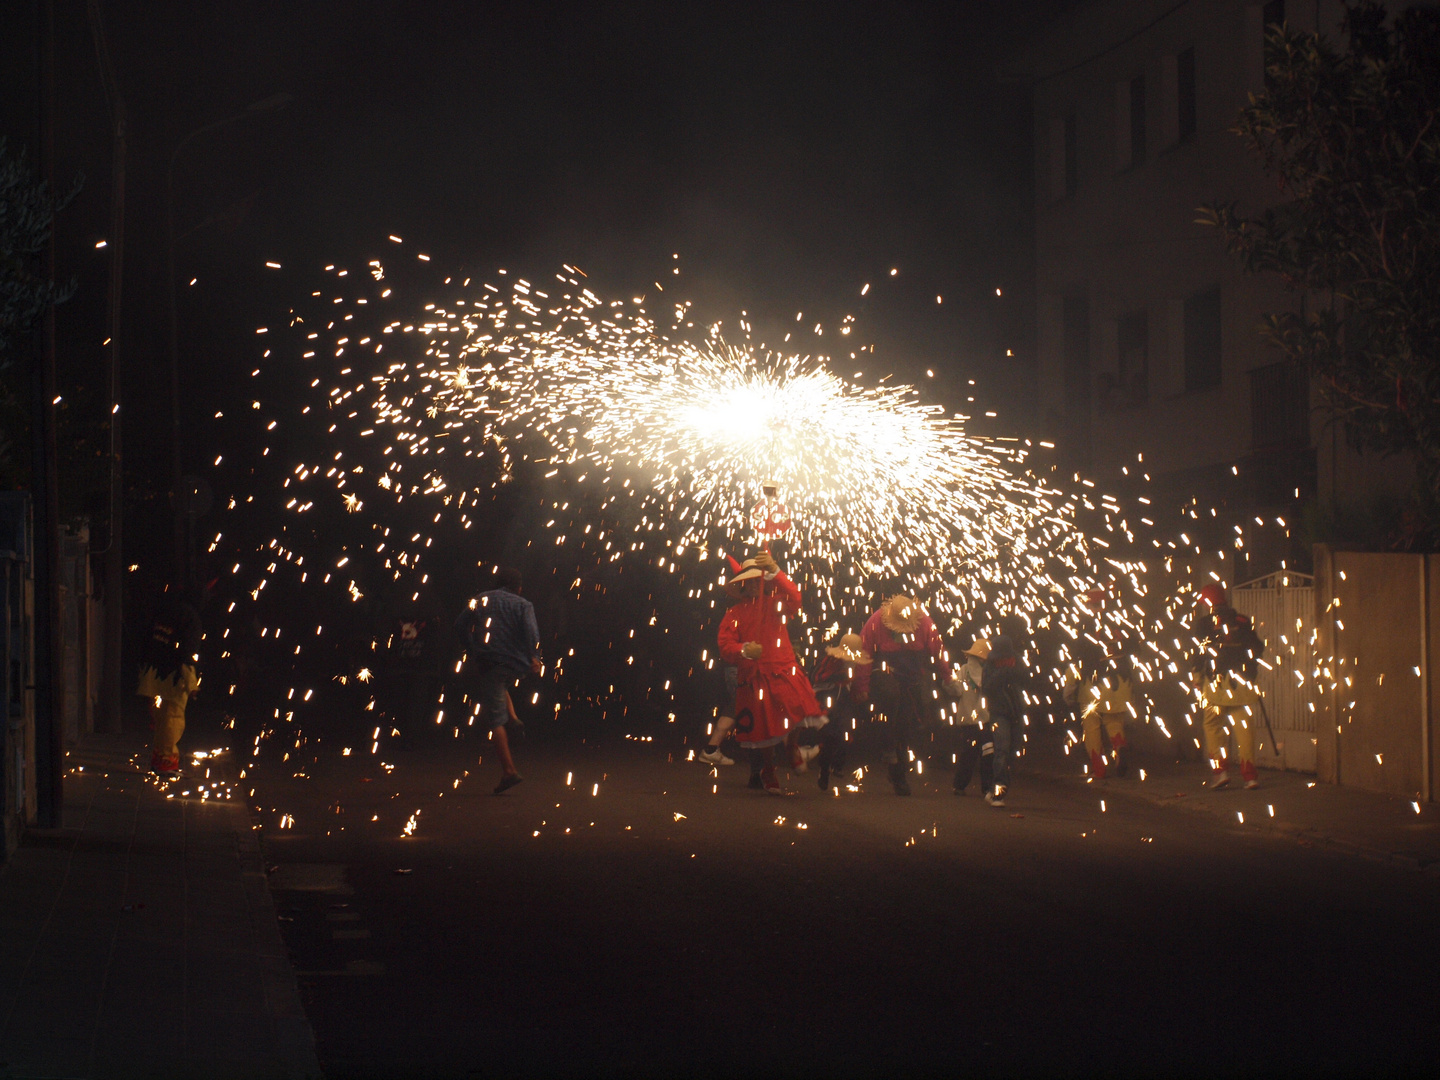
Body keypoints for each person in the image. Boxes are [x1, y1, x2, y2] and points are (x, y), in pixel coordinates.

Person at [717, 551, 826, 794]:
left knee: (799, 707)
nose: (755, 585)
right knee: (764, 727)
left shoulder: (776, 601)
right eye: (750, 581)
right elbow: (725, 646)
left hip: (784, 668)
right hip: (755, 675)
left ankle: (792, 747)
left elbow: (796, 598)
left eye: (758, 579)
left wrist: (776, 569)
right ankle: (768, 769)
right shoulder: (734, 613)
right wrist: (744, 650)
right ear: (742, 585)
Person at [852, 592, 960, 796]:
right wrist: (862, 687)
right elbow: (864, 652)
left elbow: (938, 652)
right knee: (890, 698)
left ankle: (898, 773)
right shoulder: (876, 621)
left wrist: (948, 679)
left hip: (911, 677)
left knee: (906, 723)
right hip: (884, 673)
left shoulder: (925, 623)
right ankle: (887, 749)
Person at [456, 566, 542, 794]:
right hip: (516, 663)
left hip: (491, 660)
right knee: (498, 683)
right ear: (518, 588)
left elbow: (459, 625)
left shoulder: (480, 598)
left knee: (495, 719)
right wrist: (535, 657)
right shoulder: (524, 604)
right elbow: (532, 633)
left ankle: (509, 771)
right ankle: (513, 718)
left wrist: (472, 648)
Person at [1192, 586, 1265, 790]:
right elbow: (1258, 648)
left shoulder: (1205, 625)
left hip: (1217, 686)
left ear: (1208, 603)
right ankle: (1250, 777)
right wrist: (1250, 669)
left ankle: (1220, 772)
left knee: (1212, 726)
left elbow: (1199, 654)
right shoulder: (1242, 621)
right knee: (1244, 731)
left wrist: (1197, 677)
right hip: (1243, 686)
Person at [136, 581, 205, 779]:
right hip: (173, 676)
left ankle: (160, 759)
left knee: (161, 719)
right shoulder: (191, 617)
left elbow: (148, 638)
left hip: (154, 672)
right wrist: (191, 682)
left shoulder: (164, 609)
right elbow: (187, 652)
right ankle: (166, 763)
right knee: (172, 719)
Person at [809, 632, 870, 789]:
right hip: (826, 699)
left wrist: (858, 691)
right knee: (829, 735)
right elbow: (817, 677)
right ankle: (824, 770)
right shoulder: (831, 661)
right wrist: (839, 678)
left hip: (843, 700)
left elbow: (854, 682)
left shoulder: (853, 664)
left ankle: (836, 765)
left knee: (846, 732)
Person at [1063, 647, 1134, 780]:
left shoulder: (1086, 639)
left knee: (1091, 728)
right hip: (1122, 688)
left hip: (1092, 689)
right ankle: (1119, 747)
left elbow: (1074, 669)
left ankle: (1099, 768)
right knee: (1114, 723)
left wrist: (1068, 693)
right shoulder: (1117, 639)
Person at [981, 634, 1027, 807]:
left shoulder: (1018, 662)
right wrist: (1003, 673)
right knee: (1001, 751)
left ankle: (998, 788)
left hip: (1017, 712)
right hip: (999, 713)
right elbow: (986, 688)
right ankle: (997, 794)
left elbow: (1028, 680)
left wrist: (1012, 671)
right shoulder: (990, 665)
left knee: (1013, 752)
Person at [951, 639, 995, 795]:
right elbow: (956, 690)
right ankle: (963, 786)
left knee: (984, 753)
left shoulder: (989, 672)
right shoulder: (966, 671)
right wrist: (948, 682)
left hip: (980, 720)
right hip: (974, 721)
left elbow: (955, 690)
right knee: (973, 754)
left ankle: (982, 787)